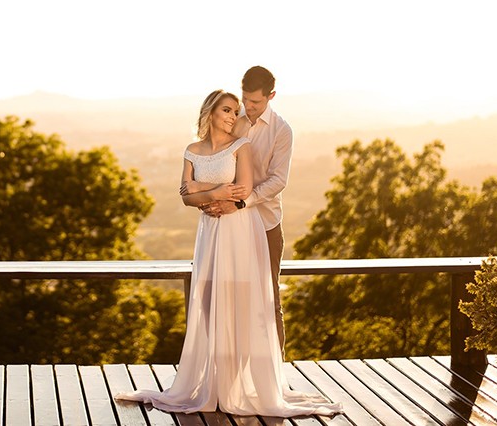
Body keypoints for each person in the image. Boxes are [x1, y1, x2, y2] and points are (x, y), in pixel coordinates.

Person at [114, 90, 342, 417]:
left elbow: (244, 189)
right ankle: (214, 383)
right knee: (208, 300)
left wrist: (208, 192)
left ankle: (237, 386)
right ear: (210, 111)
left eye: (236, 111)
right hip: (210, 232)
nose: (233, 116)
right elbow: (185, 196)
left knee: (241, 299)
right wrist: (215, 191)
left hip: (238, 229)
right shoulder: (192, 150)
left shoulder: (242, 146)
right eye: (227, 109)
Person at [203, 65, 292, 354]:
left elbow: (278, 180)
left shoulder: (281, 131)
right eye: (246, 101)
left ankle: (274, 374)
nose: (249, 108)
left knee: (268, 299)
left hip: (265, 226)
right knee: (226, 298)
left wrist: (241, 202)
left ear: (271, 96)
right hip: (228, 227)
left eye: (256, 102)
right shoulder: (233, 120)